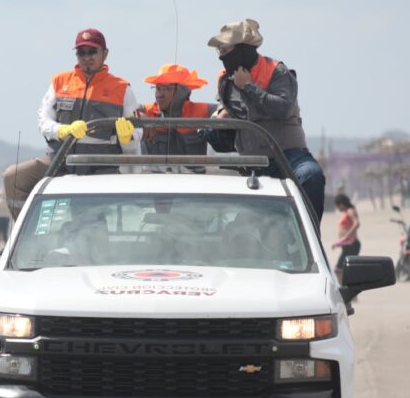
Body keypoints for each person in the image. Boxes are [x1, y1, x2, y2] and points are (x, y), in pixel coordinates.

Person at [1, 28, 140, 218]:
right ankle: (25, 230)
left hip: (99, 168)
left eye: (92, 51)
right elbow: (43, 120)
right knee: (13, 177)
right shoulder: (59, 82)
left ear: (105, 54)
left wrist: (127, 138)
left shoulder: (122, 89)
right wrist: (62, 130)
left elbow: (135, 139)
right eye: (81, 52)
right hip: (59, 161)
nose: (86, 57)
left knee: (89, 225)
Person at [206, 18, 326, 225]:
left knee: (311, 176)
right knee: (237, 227)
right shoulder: (225, 79)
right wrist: (219, 118)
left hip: (288, 157)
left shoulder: (277, 71)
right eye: (220, 52)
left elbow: (281, 107)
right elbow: (227, 108)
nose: (222, 57)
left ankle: (308, 235)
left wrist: (248, 87)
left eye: (225, 50)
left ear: (243, 49)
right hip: (252, 162)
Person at [135, 64, 216, 158]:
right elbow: (126, 111)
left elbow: (226, 110)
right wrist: (139, 115)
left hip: (193, 173)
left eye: (166, 89)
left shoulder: (200, 111)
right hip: (153, 173)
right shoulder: (147, 111)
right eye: (158, 88)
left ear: (181, 92)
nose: (159, 94)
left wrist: (219, 114)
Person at [331, 194, 361, 282]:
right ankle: (347, 291)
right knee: (343, 270)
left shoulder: (350, 211)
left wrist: (345, 237)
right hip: (348, 245)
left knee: (339, 270)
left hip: (352, 245)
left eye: (337, 206)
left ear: (341, 204)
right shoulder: (347, 212)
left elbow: (357, 223)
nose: (337, 208)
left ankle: (345, 291)